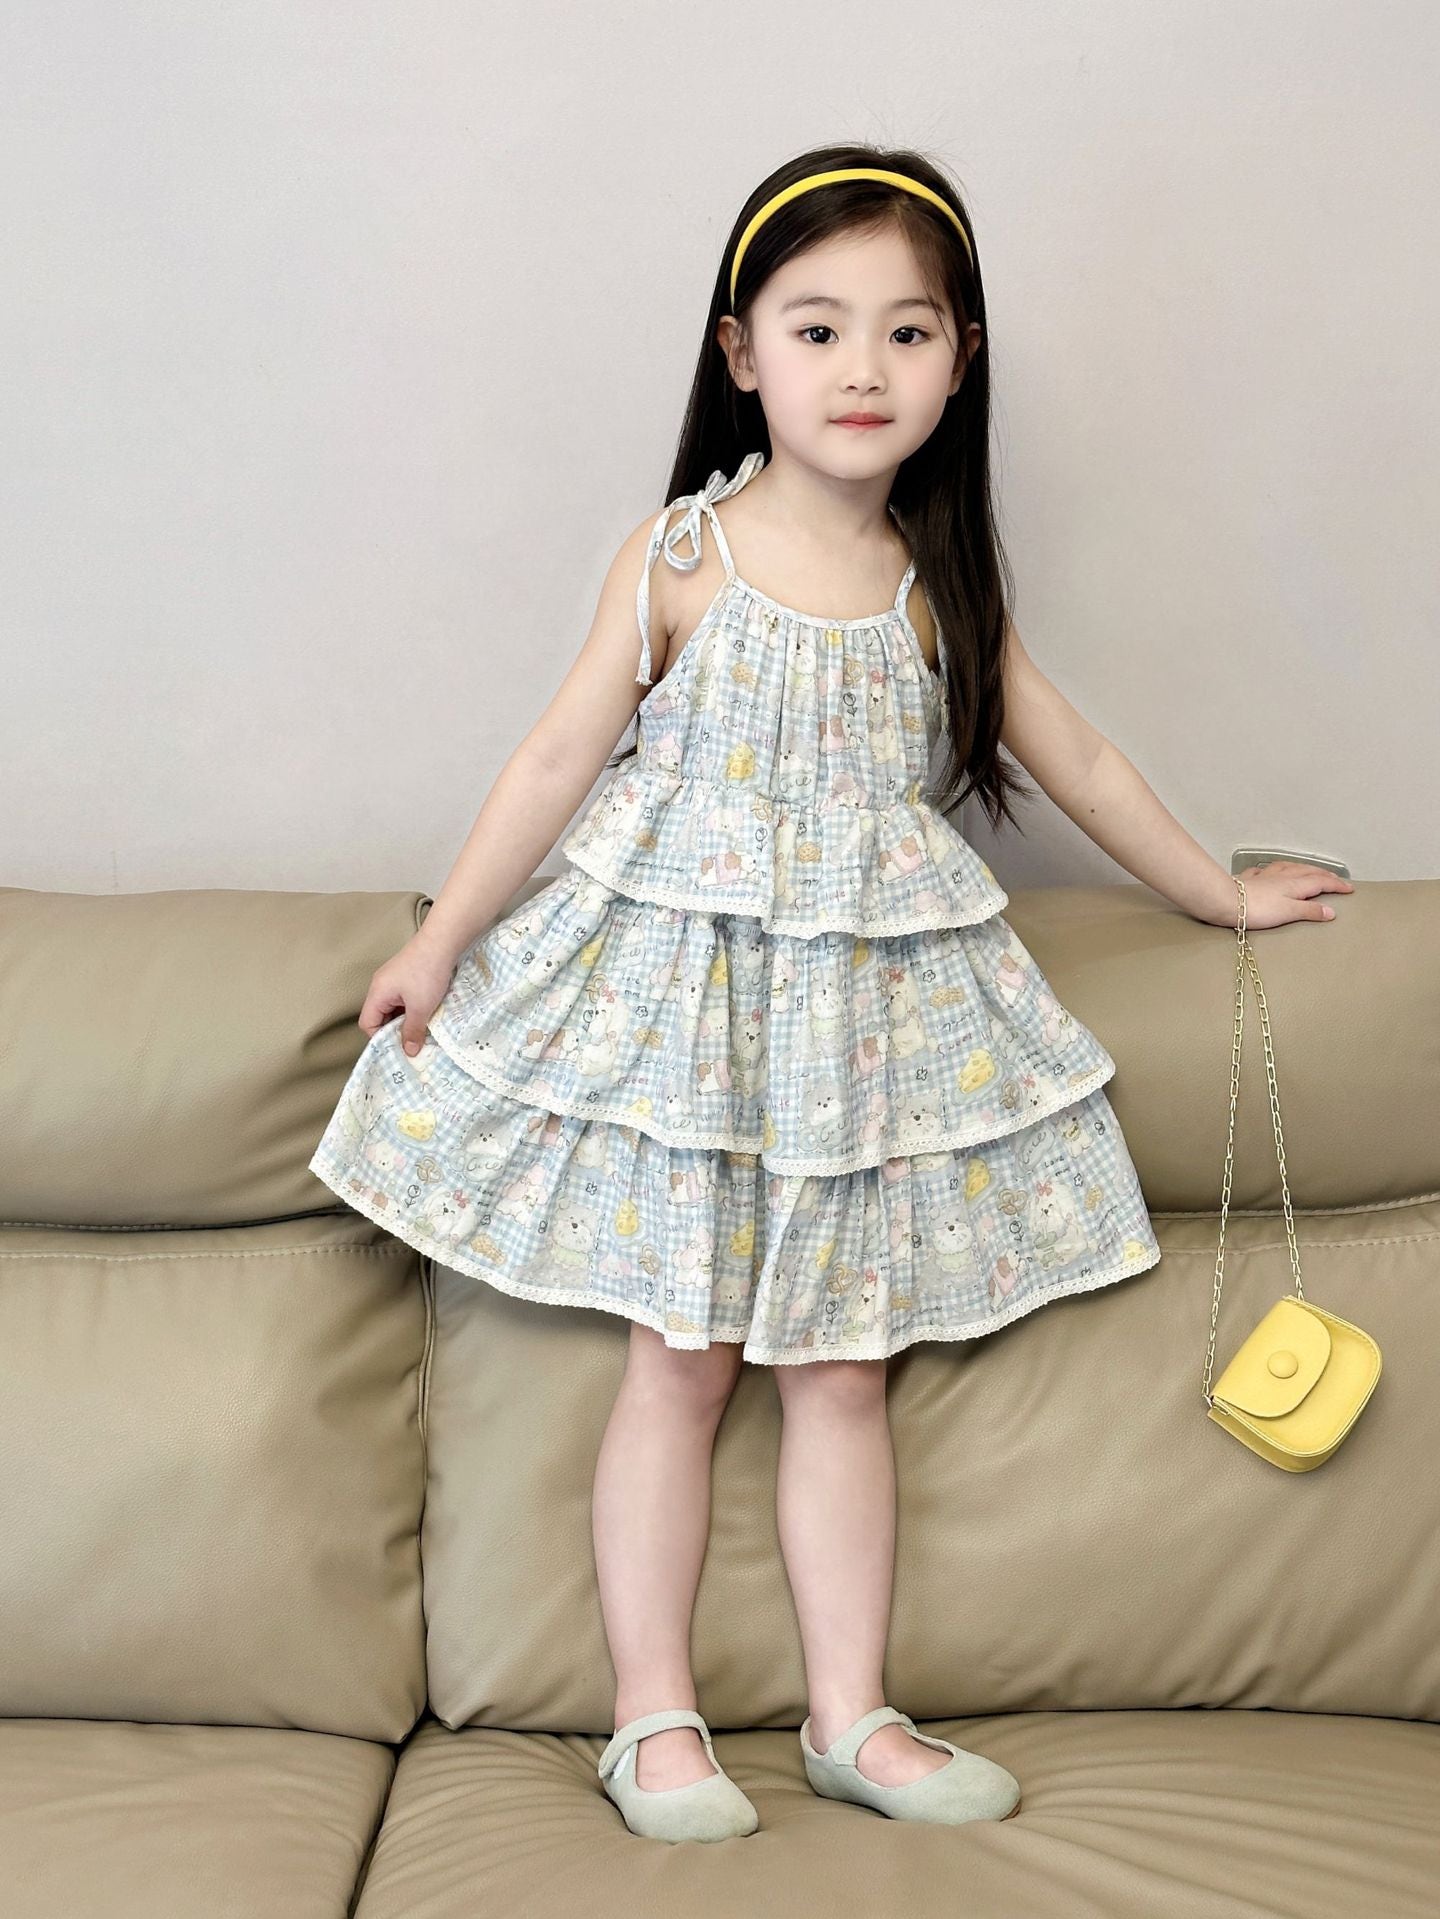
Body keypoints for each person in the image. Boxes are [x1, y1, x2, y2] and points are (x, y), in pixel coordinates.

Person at [307, 142, 1353, 1843]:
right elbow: (558, 756)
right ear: (742, 355)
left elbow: (1079, 760)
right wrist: (441, 942)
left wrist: (1219, 894)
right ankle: (651, 1722)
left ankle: (852, 1716)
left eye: (907, 332)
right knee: (680, 1363)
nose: (864, 367)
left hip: (853, 1047)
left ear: (961, 360)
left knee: (843, 1373)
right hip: (689, 1031)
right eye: (817, 329)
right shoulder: (682, 556)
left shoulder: (938, 591)